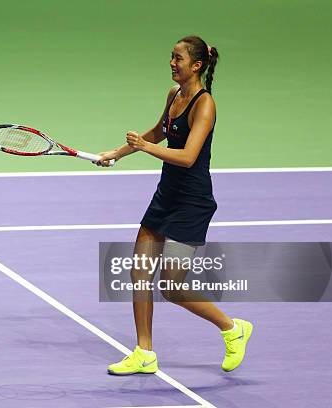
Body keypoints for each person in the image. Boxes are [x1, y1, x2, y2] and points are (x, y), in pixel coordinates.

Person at [97, 36, 253, 375]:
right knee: (138, 272)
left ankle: (232, 328)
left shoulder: (204, 103)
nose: (172, 62)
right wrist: (116, 153)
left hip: (191, 203)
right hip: (166, 195)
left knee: (171, 285)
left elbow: (187, 156)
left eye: (178, 58)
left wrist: (143, 147)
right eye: (171, 56)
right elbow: (158, 132)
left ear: (196, 65)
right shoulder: (174, 95)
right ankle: (144, 352)